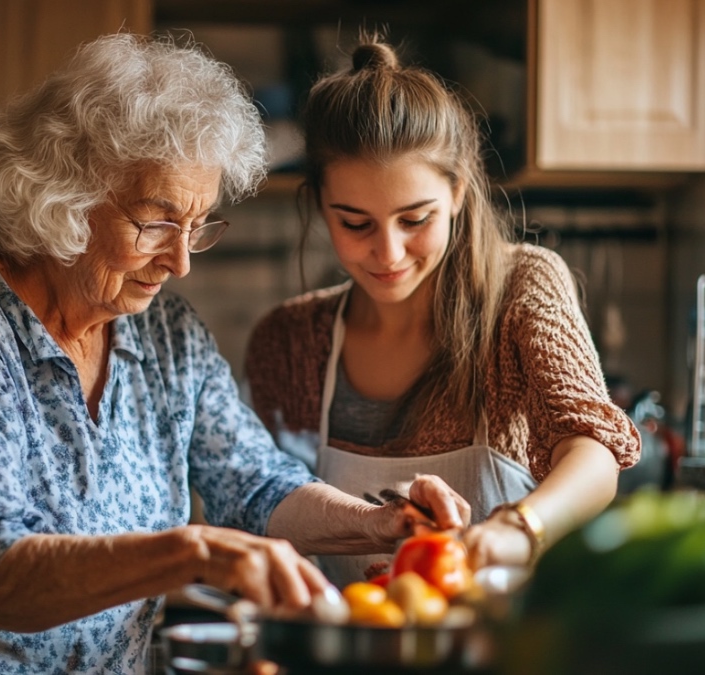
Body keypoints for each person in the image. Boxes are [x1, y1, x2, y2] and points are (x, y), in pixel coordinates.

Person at [0, 34, 468, 675]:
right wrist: (195, 550)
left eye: (196, 227)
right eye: (156, 222)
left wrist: (377, 520)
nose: (179, 261)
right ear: (65, 193)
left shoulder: (165, 332)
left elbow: (256, 483)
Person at [246, 37, 642, 587]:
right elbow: (260, 503)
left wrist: (517, 529)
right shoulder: (287, 341)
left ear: (457, 191)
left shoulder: (522, 286)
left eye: (415, 220)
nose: (388, 254)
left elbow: (593, 452)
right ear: (318, 204)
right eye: (355, 224)